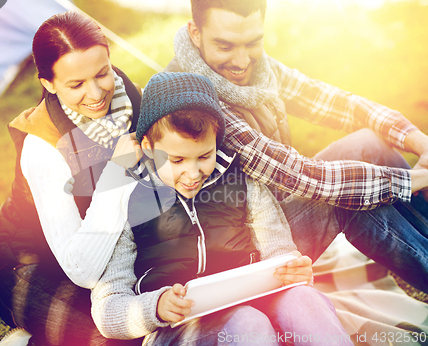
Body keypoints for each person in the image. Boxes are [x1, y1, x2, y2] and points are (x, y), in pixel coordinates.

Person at [164, 0, 428, 292]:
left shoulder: (261, 70)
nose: (241, 61)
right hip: (245, 253)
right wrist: (411, 180)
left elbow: (335, 102)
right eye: (225, 47)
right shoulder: (194, 101)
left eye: (252, 43)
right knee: (346, 197)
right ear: (195, 33)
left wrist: (418, 140)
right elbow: (307, 179)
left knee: (368, 143)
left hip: (277, 208)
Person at [91, 72, 353, 345]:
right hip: (178, 330)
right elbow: (107, 309)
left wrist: (290, 272)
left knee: (304, 300)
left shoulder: (241, 179)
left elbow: (279, 251)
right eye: (177, 160)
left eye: (204, 155)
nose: (192, 173)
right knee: (248, 323)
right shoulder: (125, 198)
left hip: (253, 300)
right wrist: (154, 307)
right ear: (148, 146)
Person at [0, 11, 143, 346]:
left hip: (117, 256)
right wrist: (118, 170)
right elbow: (82, 269)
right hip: (34, 271)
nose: (95, 93)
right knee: (115, 338)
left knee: (152, 323)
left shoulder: (134, 102)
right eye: (75, 85)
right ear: (49, 84)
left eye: (102, 73)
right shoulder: (42, 148)